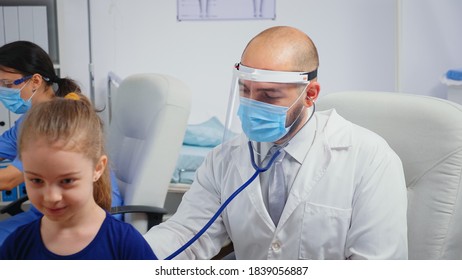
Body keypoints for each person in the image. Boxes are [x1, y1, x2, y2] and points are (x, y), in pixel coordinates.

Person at [143, 26, 408, 260]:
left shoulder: (370, 159)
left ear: (310, 94)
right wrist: (127, 256)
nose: (252, 104)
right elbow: (187, 235)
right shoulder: (224, 159)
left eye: (269, 95)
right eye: (245, 91)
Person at [0, 97, 156, 259]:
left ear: (98, 168)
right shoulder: (17, 245)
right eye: (37, 180)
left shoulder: (124, 243)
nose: (51, 197)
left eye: (67, 181)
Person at [0, 41, 122, 245]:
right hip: (48, 211)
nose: (3, 92)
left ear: (35, 81)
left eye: (7, 84)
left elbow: (7, 180)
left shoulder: (55, 124)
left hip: (82, 218)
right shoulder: (29, 119)